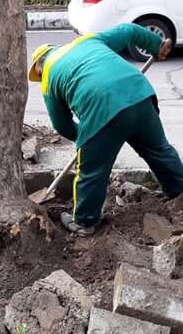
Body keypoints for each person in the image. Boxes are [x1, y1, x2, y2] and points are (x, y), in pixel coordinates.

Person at [28, 23, 183, 236]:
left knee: (92, 170)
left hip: (104, 108)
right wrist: (156, 44)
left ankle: (84, 222)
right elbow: (129, 31)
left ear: (38, 65)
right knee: (159, 150)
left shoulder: (48, 77)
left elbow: (61, 125)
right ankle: (179, 192)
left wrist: (87, 141)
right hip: (140, 94)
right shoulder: (86, 41)